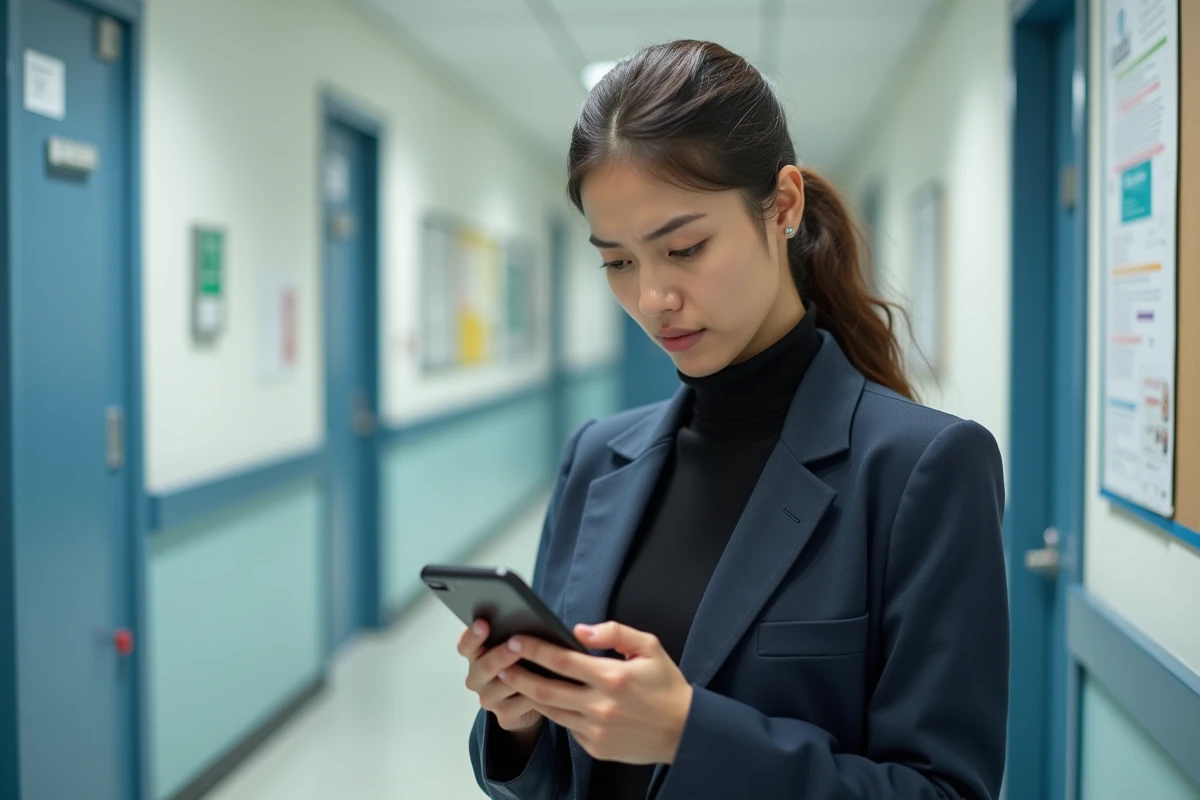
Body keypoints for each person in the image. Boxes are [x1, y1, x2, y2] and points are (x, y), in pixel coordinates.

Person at [460, 39, 1009, 800]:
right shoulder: (596, 457)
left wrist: (690, 735)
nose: (653, 298)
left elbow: (944, 791)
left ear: (782, 206)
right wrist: (520, 721)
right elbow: (564, 773)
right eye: (617, 261)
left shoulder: (924, 467)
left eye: (683, 248)